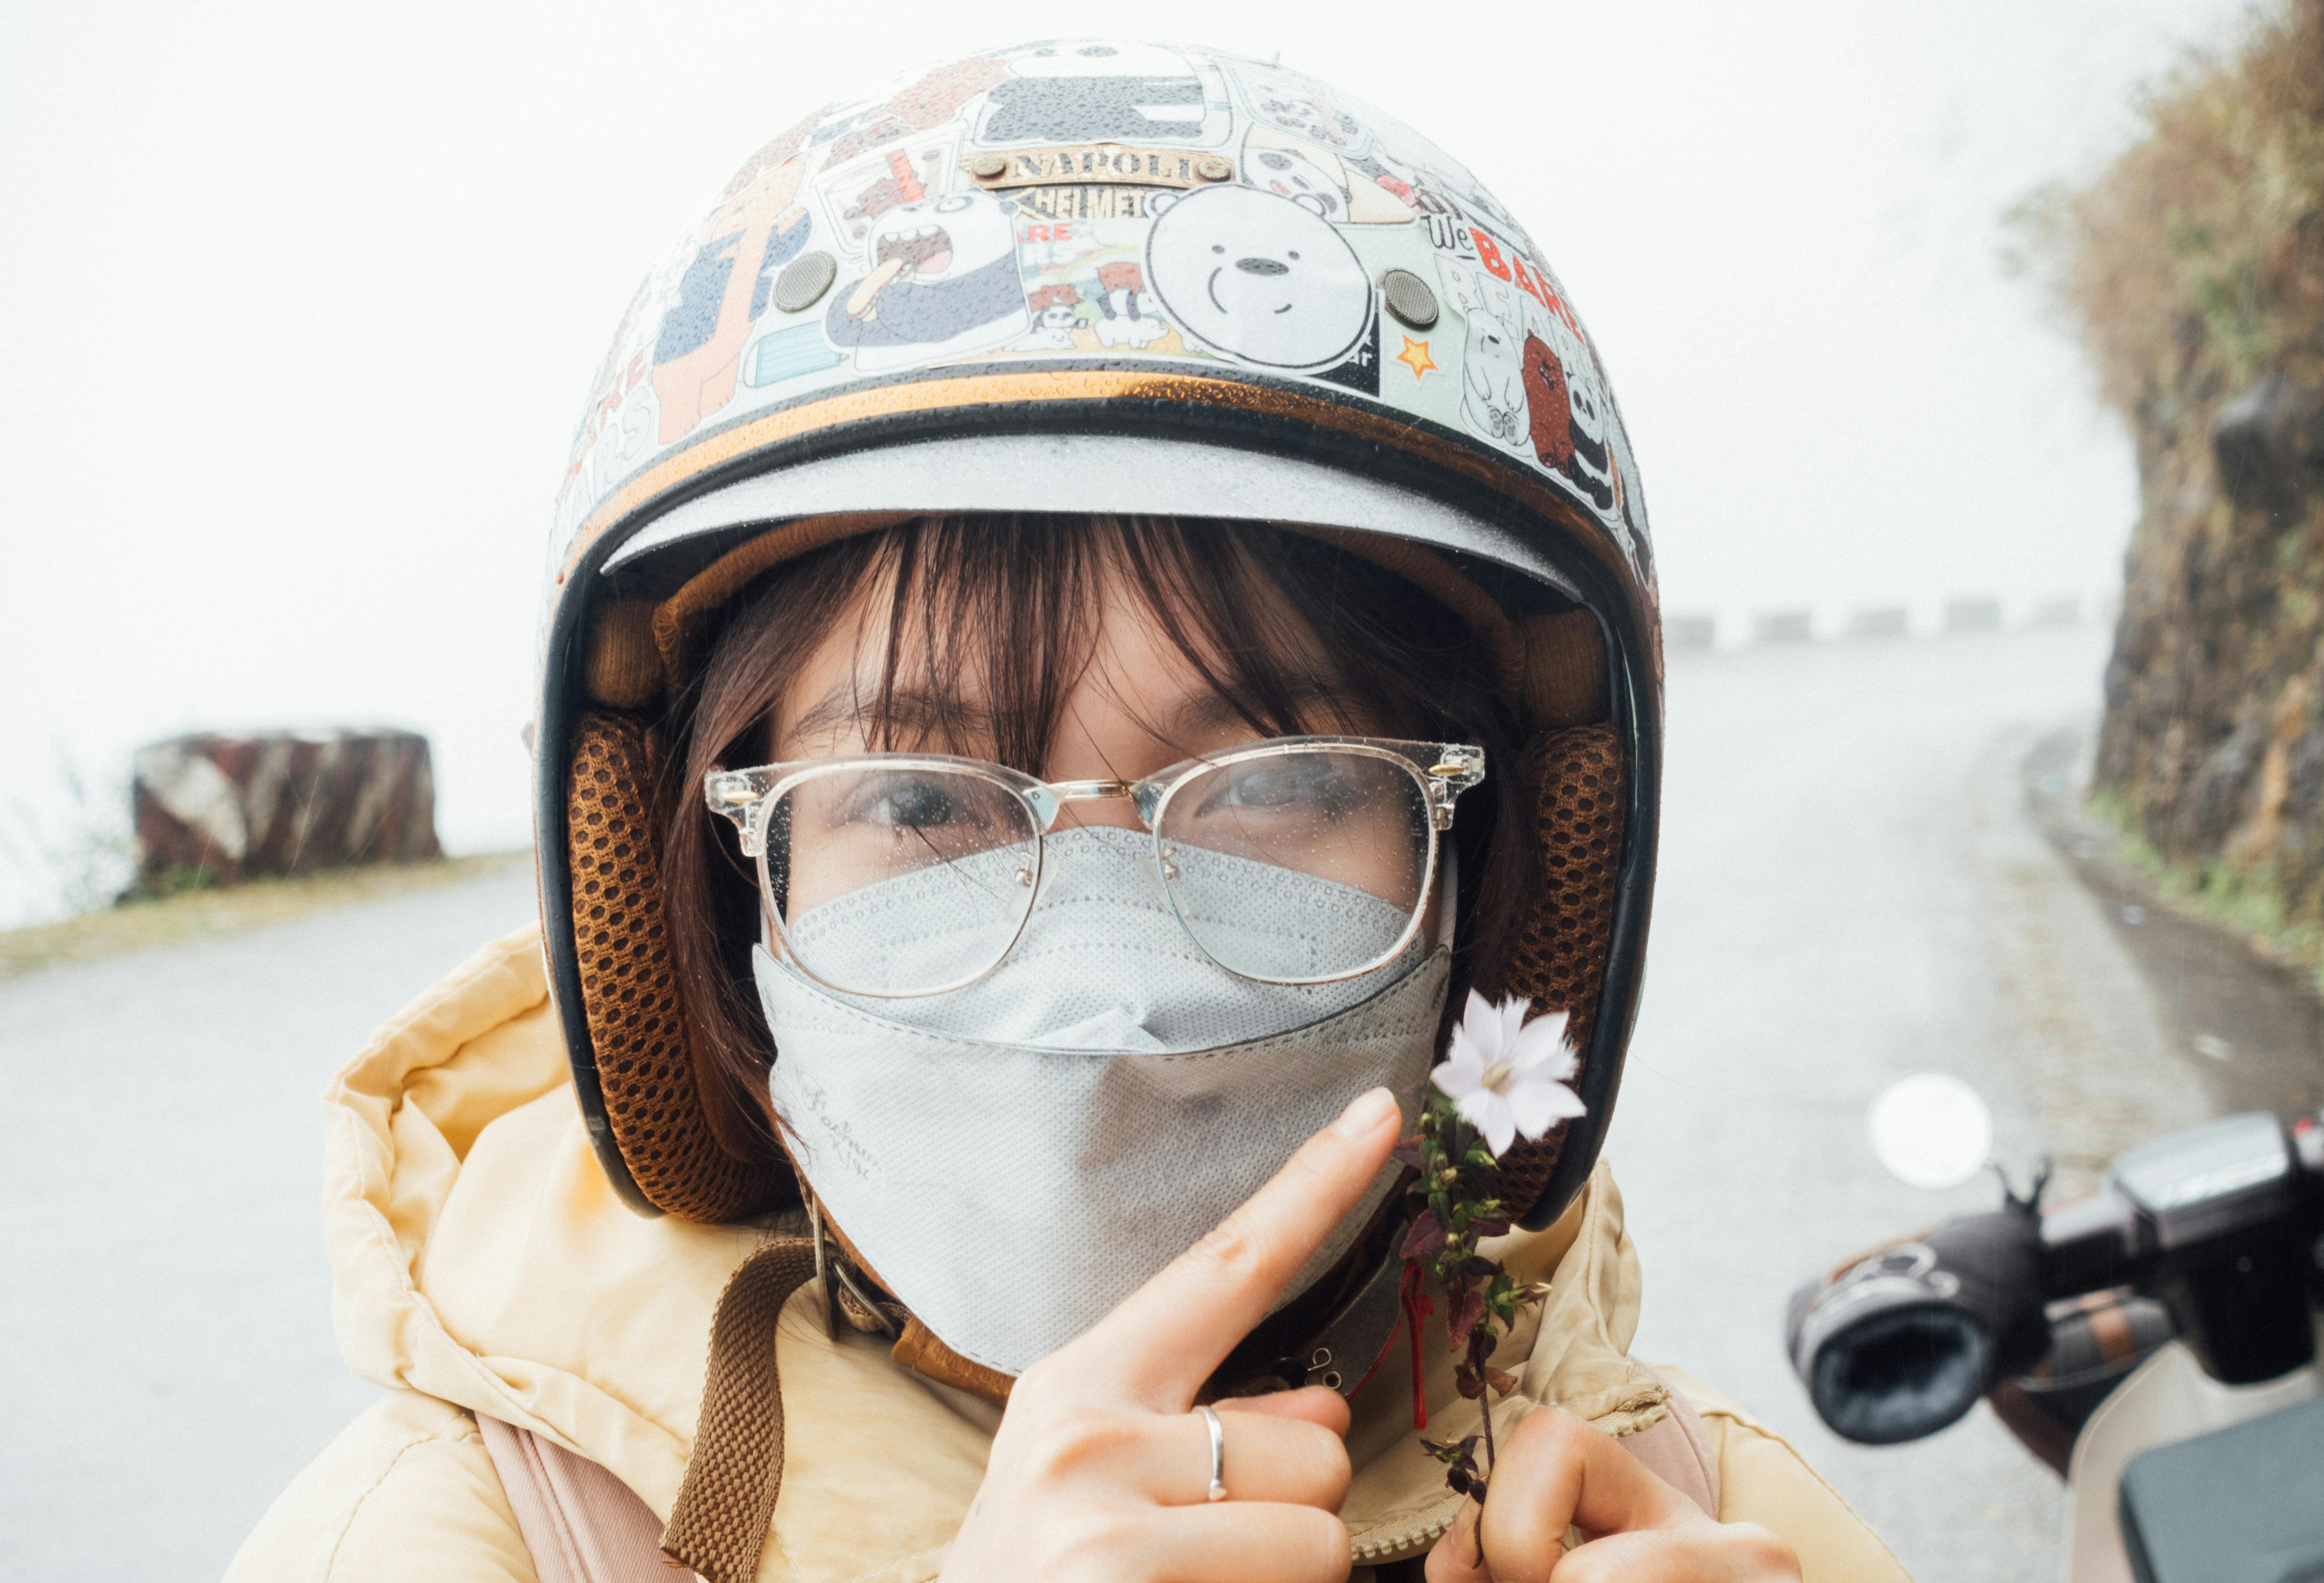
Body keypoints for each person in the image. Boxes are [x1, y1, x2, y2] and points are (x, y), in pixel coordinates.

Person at [230, 42, 1908, 1583]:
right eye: (913, 798)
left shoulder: (1705, 1523)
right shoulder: (459, 1542)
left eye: (1278, 781)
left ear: (1490, 877)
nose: (1100, 976)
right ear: (730, 905)